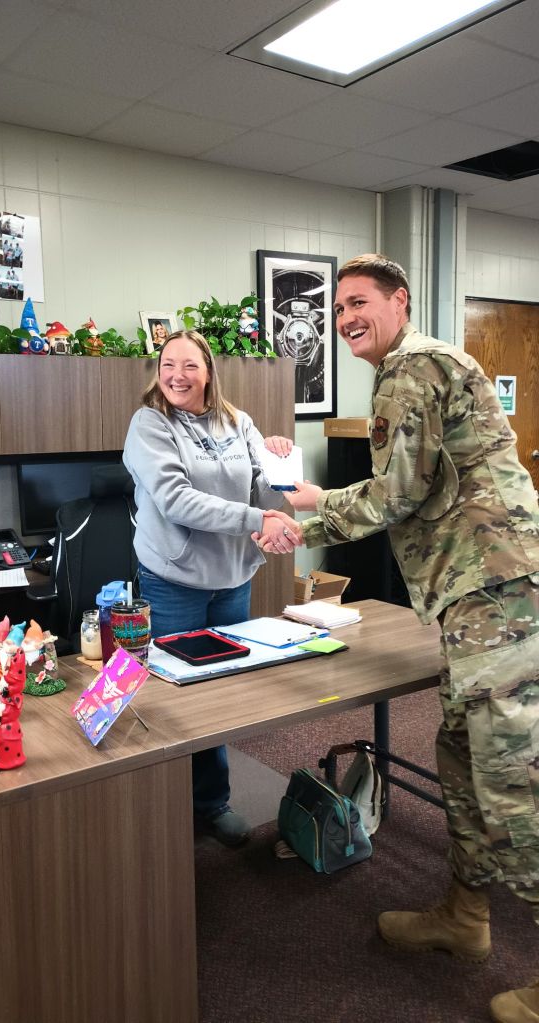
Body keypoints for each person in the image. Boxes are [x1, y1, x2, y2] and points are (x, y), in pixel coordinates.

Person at [256, 254, 539, 1023]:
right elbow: (418, 488)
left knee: (511, 782)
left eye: (360, 301)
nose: (346, 317)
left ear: (399, 301)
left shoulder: (410, 369)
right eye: (338, 307)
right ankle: (466, 917)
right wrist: (315, 501)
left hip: (497, 594)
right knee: (461, 756)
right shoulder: (420, 365)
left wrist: (306, 516)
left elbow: (396, 494)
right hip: (478, 595)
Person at [123, 329, 297, 847]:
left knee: (221, 692)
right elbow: (176, 500)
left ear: (208, 372)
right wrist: (256, 518)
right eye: (168, 364)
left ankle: (211, 802)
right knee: (175, 695)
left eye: (189, 365)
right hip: (174, 579)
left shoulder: (238, 421)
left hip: (232, 577)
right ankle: (161, 806)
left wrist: (280, 464)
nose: (177, 375)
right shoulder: (150, 423)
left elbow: (268, 496)